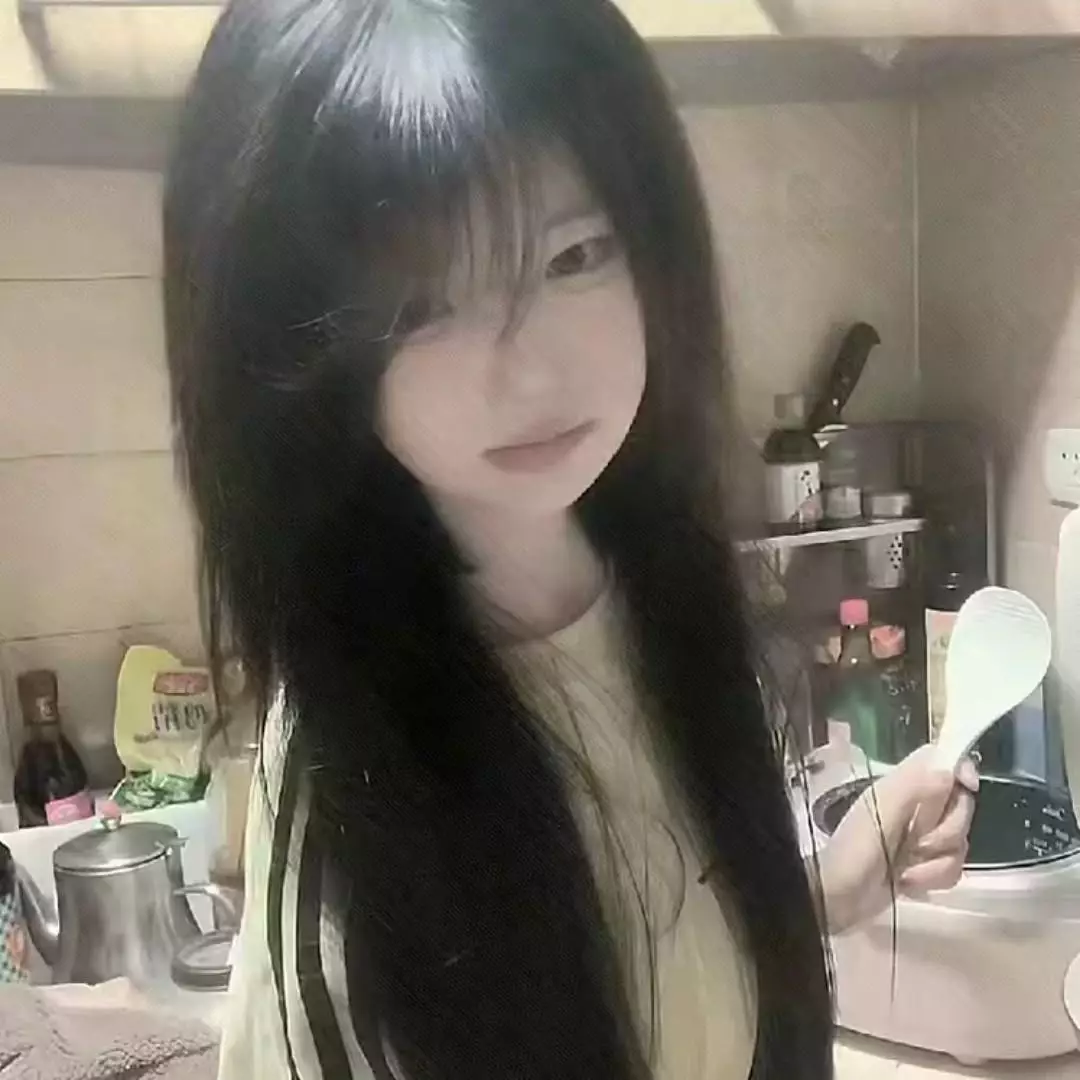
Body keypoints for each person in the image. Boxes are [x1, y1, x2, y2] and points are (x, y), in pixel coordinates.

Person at [162, 2, 975, 1078]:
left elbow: (629, 976)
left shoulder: (660, 590)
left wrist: (820, 893)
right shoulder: (347, 778)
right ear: (303, 350)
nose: (532, 369)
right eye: (418, 306)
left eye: (574, 254)